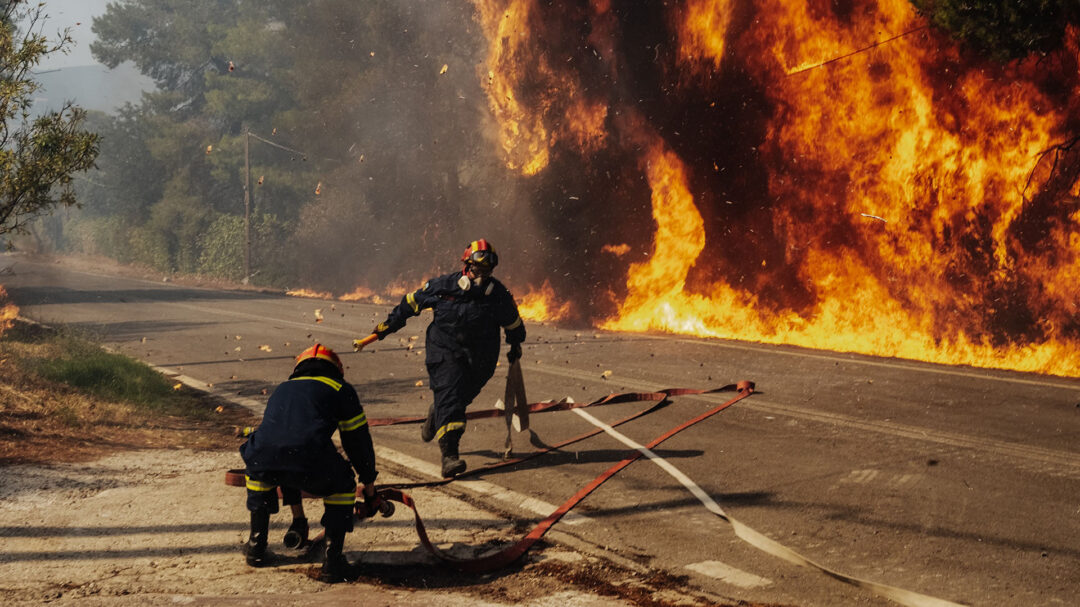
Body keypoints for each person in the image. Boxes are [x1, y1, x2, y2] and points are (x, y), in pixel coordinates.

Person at [357, 239, 525, 478]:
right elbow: (408, 305)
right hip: (445, 349)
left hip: (482, 356)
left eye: (488, 269)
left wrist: (515, 344)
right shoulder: (442, 286)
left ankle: (437, 412)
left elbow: (513, 323)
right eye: (478, 268)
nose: (483, 274)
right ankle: (450, 456)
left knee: (458, 398)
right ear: (467, 265)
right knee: (451, 395)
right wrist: (383, 329)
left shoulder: (498, 294)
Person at [239, 344, 381, 583]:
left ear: (298, 368)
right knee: (343, 485)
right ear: (337, 369)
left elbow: (285, 445)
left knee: (261, 470)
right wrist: (369, 486)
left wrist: (299, 518)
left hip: (263, 456)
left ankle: (256, 547)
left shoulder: (283, 388)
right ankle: (333, 560)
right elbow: (357, 443)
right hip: (309, 459)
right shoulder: (341, 389)